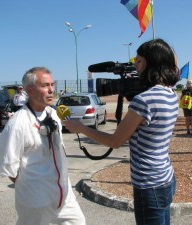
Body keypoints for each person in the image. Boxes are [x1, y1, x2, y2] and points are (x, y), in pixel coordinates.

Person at [65, 39, 179, 225]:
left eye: (139, 60)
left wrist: (81, 128)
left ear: (152, 63)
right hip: (166, 178)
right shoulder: (170, 93)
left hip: (148, 184)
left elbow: (115, 141)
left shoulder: (143, 100)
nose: (135, 65)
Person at [0, 67, 85, 225]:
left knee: (79, 222)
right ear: (29, 90)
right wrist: (33, 190)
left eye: (52, 84)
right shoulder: (17, 123)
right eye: (44, 85)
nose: (51, 90)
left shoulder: (53, 114)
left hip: (64, 197)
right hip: (36, 202)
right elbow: (8, 165)